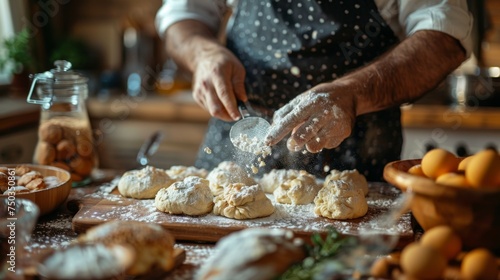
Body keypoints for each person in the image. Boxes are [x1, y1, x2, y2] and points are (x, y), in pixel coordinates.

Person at [156, 0, 472, 181]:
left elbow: (443, 36)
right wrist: (202, 54)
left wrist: (351, 93)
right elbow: (184, 16)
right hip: (234, 152)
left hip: (355, 165)